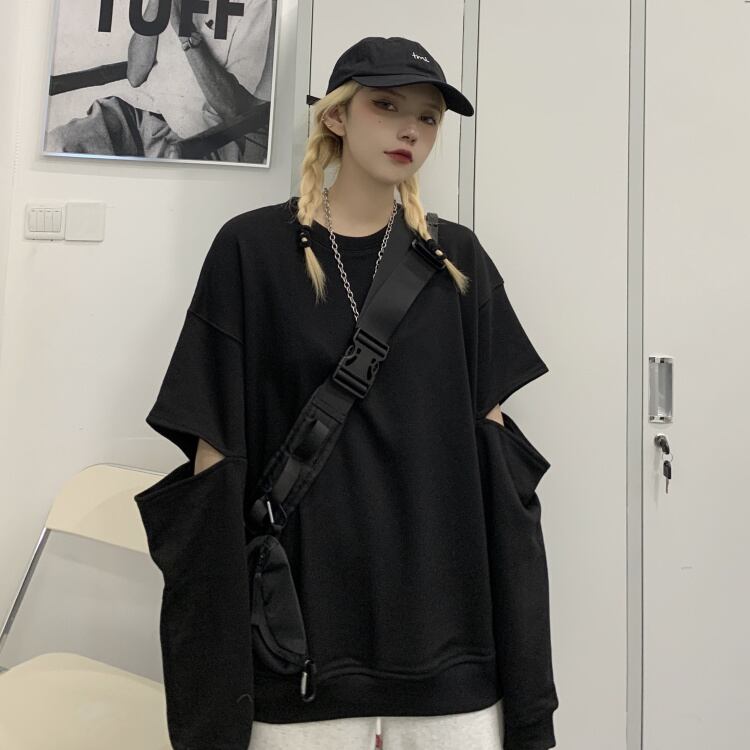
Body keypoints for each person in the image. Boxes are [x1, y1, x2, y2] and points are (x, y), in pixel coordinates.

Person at [134, 36, 558, 750]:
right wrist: (215, 679)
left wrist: (526, 685)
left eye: (427, 117)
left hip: (448, 647)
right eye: (386, 106)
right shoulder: (252, 250)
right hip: (297, 647)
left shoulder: (457, 262)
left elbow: (500, 474)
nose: (409, 130)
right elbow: (213, 464)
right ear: (336, 116)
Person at [46, 0, 275, 162]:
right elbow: (135, 75)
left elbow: (232, 108)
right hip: (136, 112)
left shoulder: (255, 4)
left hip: (195, 136)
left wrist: (182, 27)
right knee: (59, 143)